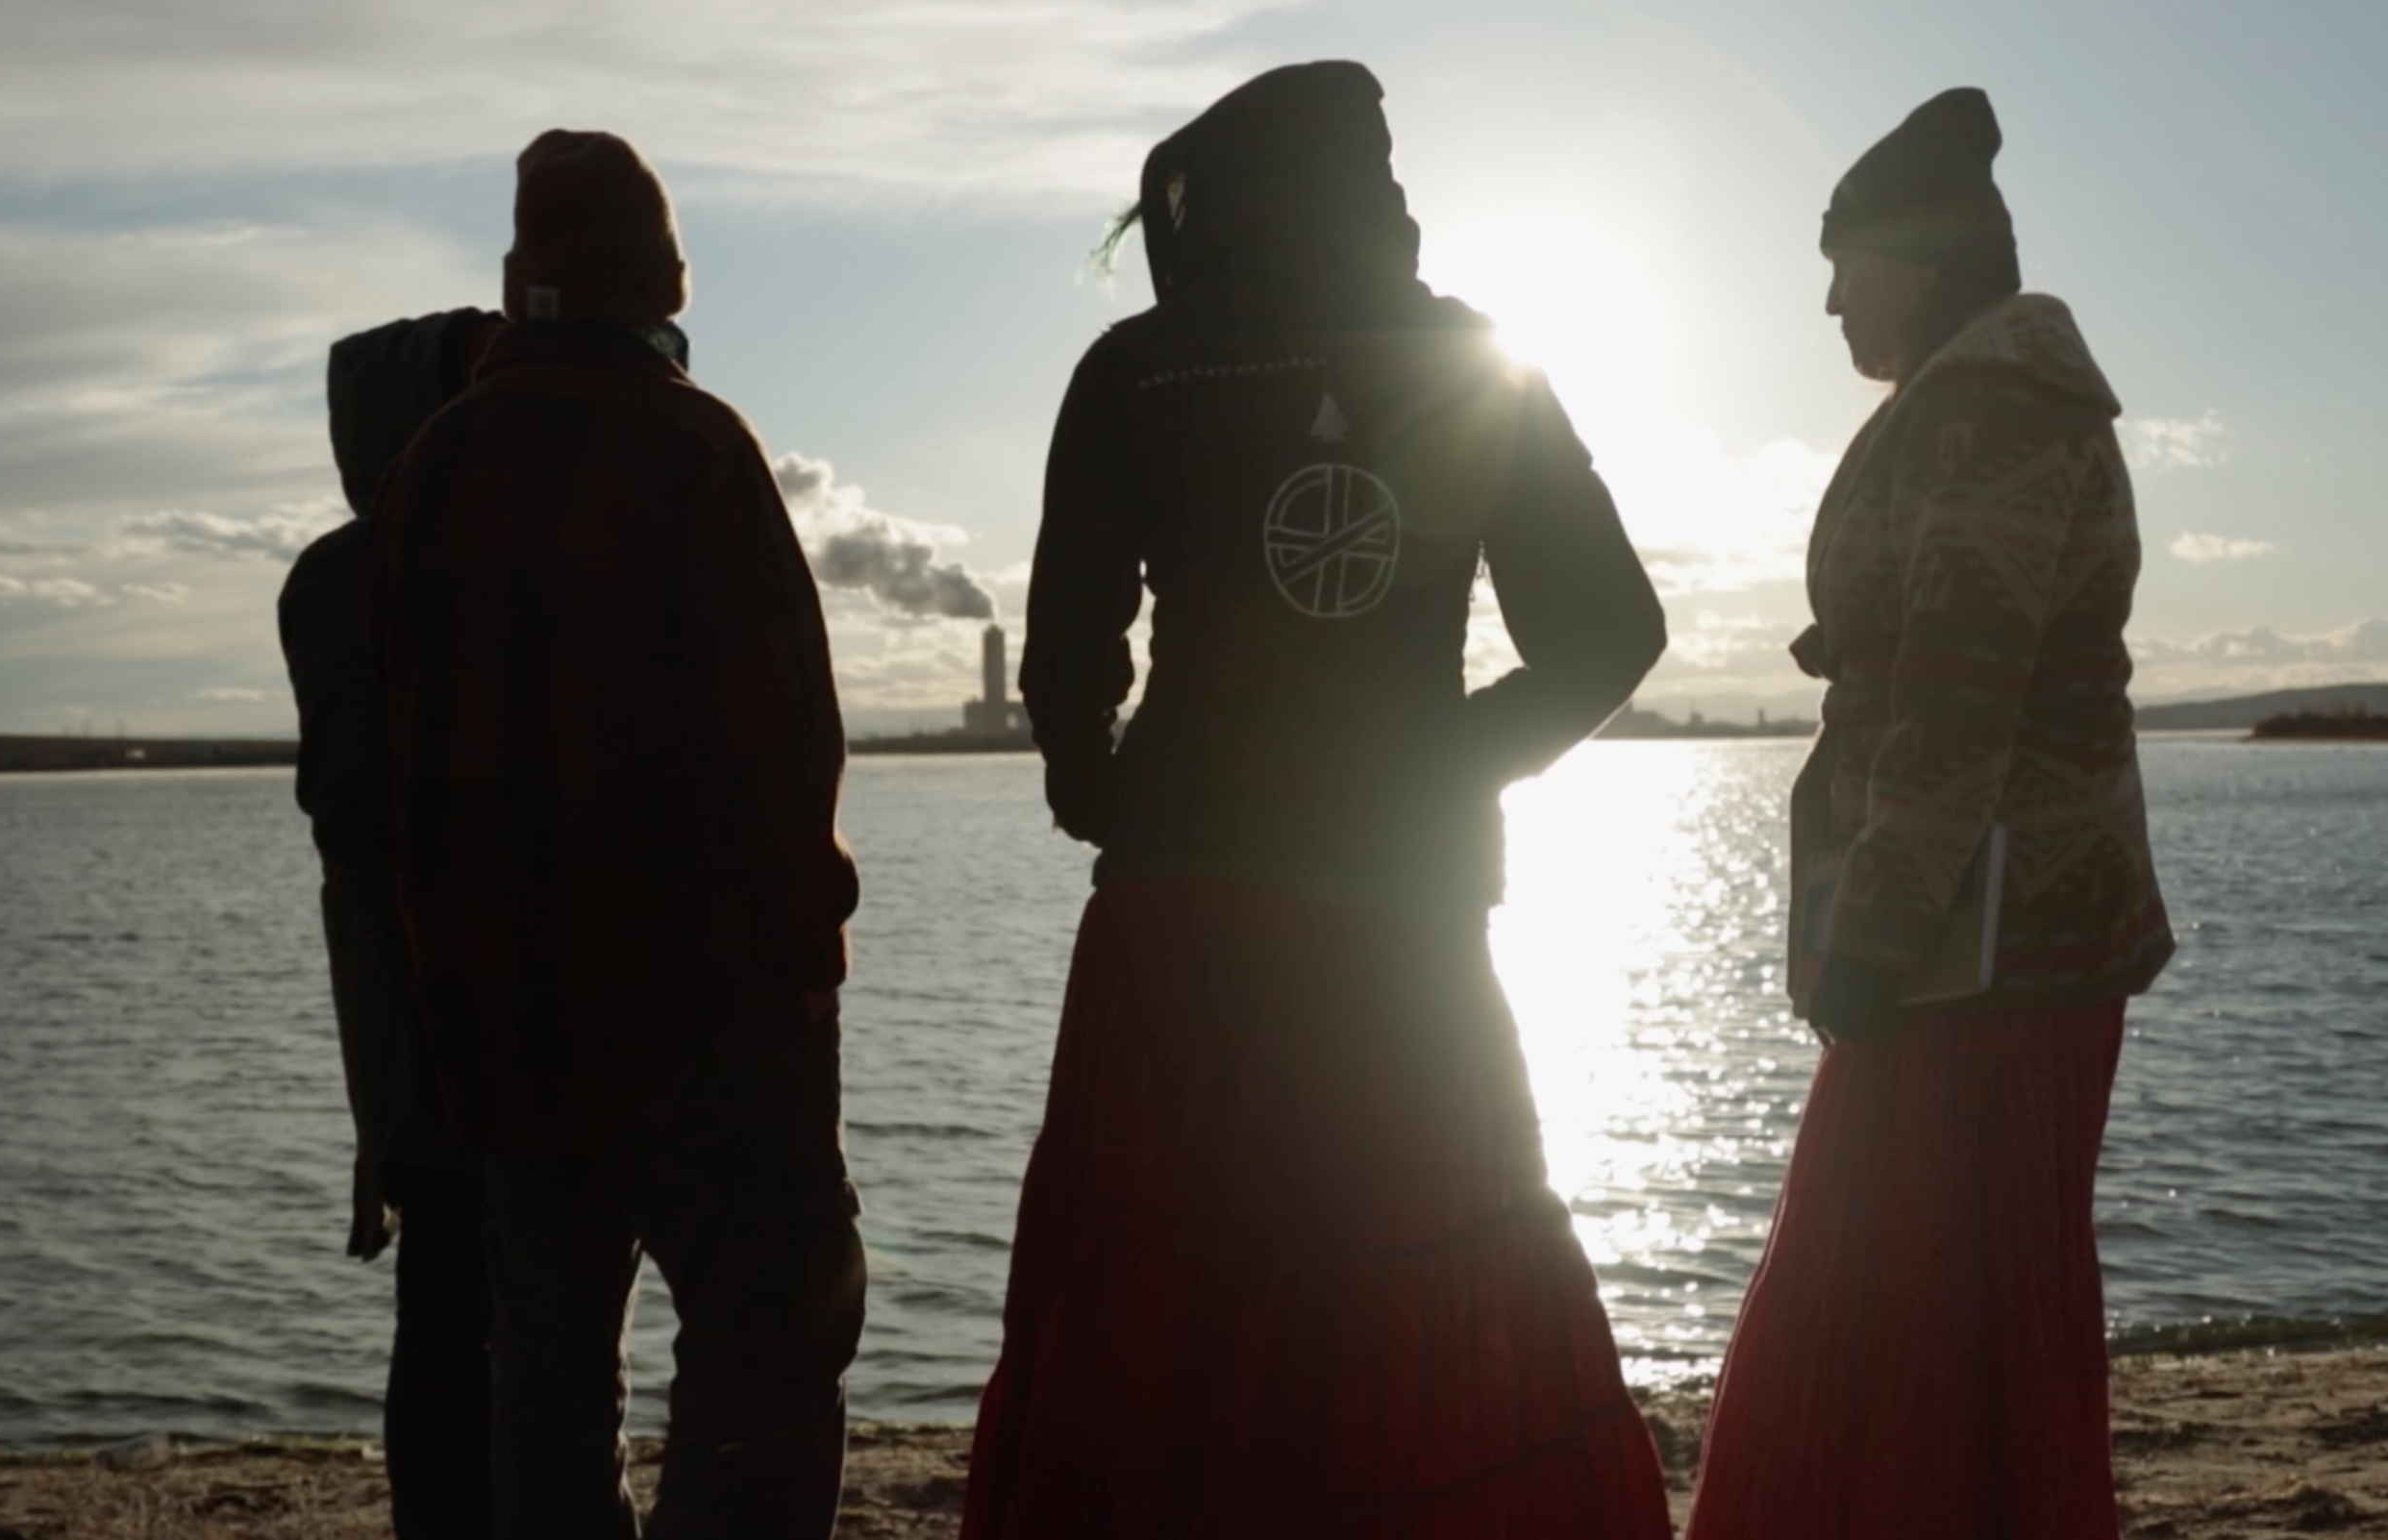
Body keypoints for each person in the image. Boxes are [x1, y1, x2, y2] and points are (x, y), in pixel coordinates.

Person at [961, 62, 1676, 1540]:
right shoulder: (1472, 361)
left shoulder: (1135, 370)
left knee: (1168, 1296)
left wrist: (1114, 794)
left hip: (1181, 921)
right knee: (1413, 1283)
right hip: (1397, 923)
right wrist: (1438, 766)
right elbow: (1610, 631)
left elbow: (1064, 657)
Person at [1684, 87, 2176, 1540]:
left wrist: (1874, 935)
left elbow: (1961, 691)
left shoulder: (1986, 412)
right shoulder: (1967, 400)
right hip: (1983, 929)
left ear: (1926, 255)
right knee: (1940, 1298)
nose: (1828, 295)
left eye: (1847, 259)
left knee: (1910, 1293)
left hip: (1984, 946)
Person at [371, 129, 866, 1540]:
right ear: (665, 282)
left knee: (545, 1373)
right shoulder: (692, 447)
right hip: (700, 1015)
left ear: (522, 274)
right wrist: (799, 964)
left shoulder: (430, 467)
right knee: (767, 1349)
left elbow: (413, 764)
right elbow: (785, 747)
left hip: (504, 1025)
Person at [279, 303, 502, 1540]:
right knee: (461, 1289)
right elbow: (360, 809)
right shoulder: (358, 576)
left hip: (419, 989)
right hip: (433, 992)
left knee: (464, 1289)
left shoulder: (342, 572)